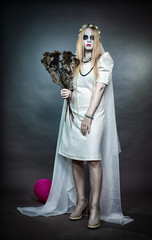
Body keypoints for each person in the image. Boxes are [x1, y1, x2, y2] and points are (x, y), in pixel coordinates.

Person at [17, 23, 134, 229]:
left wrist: (89, 116)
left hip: (93, 115)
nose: (89, 41)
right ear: (81, 40)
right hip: (73, 115)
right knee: (75, 159)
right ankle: (81, 201)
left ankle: (95, 207)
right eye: (85, 37)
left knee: (93, 160)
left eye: (92, 38)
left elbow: (98, 90)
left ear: (97, 40)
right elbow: (75, 88)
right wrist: (67, 93)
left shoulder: (104, 60)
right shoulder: (75, 62)